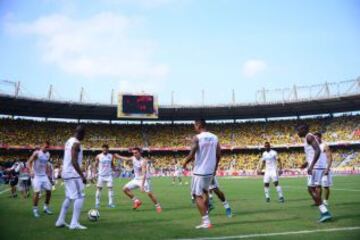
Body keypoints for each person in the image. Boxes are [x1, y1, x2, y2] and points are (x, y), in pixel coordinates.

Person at [183, 119, 221, 229]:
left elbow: (192, 153)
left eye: (194, 125)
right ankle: (207, 214)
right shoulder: (215, 137)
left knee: (196, 195)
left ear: (199, 125)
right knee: (205, 192)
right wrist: (215, 168)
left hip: (199, 171)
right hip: (210, 171)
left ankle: (206, 221)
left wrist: (184, 162)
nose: (194, 127)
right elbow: (218, 154)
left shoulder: (197, 137)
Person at [296, 123, 332, 222]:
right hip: (316, 167)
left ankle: (325, 212)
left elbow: (317, 151)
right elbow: (313, 153)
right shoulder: (308, 137)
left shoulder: (309, 137)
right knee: (312, 189)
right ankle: (323, 210)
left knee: (311, 189)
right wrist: (306, 163)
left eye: (298, 130)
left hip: (315, 168)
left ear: (303, 129)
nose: (297, 132)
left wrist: (311, 166)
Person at [55, 125, 87, 230]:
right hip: (73, 174)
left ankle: (60, 221)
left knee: (69, 197)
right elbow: (74, 161)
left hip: (67, 173)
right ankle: (74, 223)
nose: (84, 137)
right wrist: (82, 175)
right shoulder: (76, 143)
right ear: (81, 133)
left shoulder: (69, 141)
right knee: (80, 197)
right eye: (84, 135)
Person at [115, 148, 162, 213]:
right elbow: (126, 158)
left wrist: (142, 186)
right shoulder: (133, 158)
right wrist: (118, 156)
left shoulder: (143, 161)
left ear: (140, 153)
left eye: (136, 152)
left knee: (149, 194)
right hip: (136, 179)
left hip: (144, 179)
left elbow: (144, 173)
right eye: (133, 153)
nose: (134, 154)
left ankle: (158, 206)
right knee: (124, 189)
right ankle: (137, 201)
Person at [28, 141, 54, 218]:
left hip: (44, 176)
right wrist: (31, 171)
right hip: (36, 176)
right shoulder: (37, 153)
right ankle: (35, 210)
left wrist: (48, 174)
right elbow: (29, 162)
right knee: (37, 193)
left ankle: (46, 207)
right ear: (42, 146)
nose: (46, 148)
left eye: (47, 147)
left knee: (49, 191)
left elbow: (45, 164)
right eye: (45, 147)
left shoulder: (48, 154)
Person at [314, 132, 333, 206]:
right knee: (317, 186)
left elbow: (330, 157)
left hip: (324, 168)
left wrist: (327, 169)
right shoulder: (314, 147)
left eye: (316, 137)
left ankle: (325, 200)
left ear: (320, 137)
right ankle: (319, 201)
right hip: (317, 169)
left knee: (325, 186)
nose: (315, 139)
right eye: (314, 138)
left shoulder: (324, 146)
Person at [95, 144, 116, 209]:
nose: (104, 150)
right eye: (103, 149)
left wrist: (115, 169)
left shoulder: (111, 156)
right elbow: (95, 164)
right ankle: (97, 203)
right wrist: (95, 172)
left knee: (110, 189)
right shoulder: (98, 156)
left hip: (109, 175)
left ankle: (110, 203)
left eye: (106, 149)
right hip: (101, 175)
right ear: (102, 149)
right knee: (99, 189)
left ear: (108, 149)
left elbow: (112, 164)